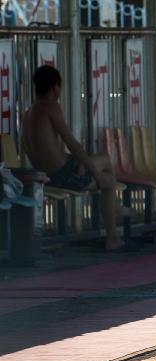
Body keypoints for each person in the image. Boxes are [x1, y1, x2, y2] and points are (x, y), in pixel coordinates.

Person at [22, 66, 131, 252]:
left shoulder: (29, 112)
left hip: (44, 173)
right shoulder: (50, 107)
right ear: (55, 87)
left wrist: (80, 162)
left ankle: (116, 207)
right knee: (109, 181)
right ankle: (112, 237)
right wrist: (95, 174)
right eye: (60, 87)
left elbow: (49, 150)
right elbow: (72, 143)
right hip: (61, 175)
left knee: (104, 157)